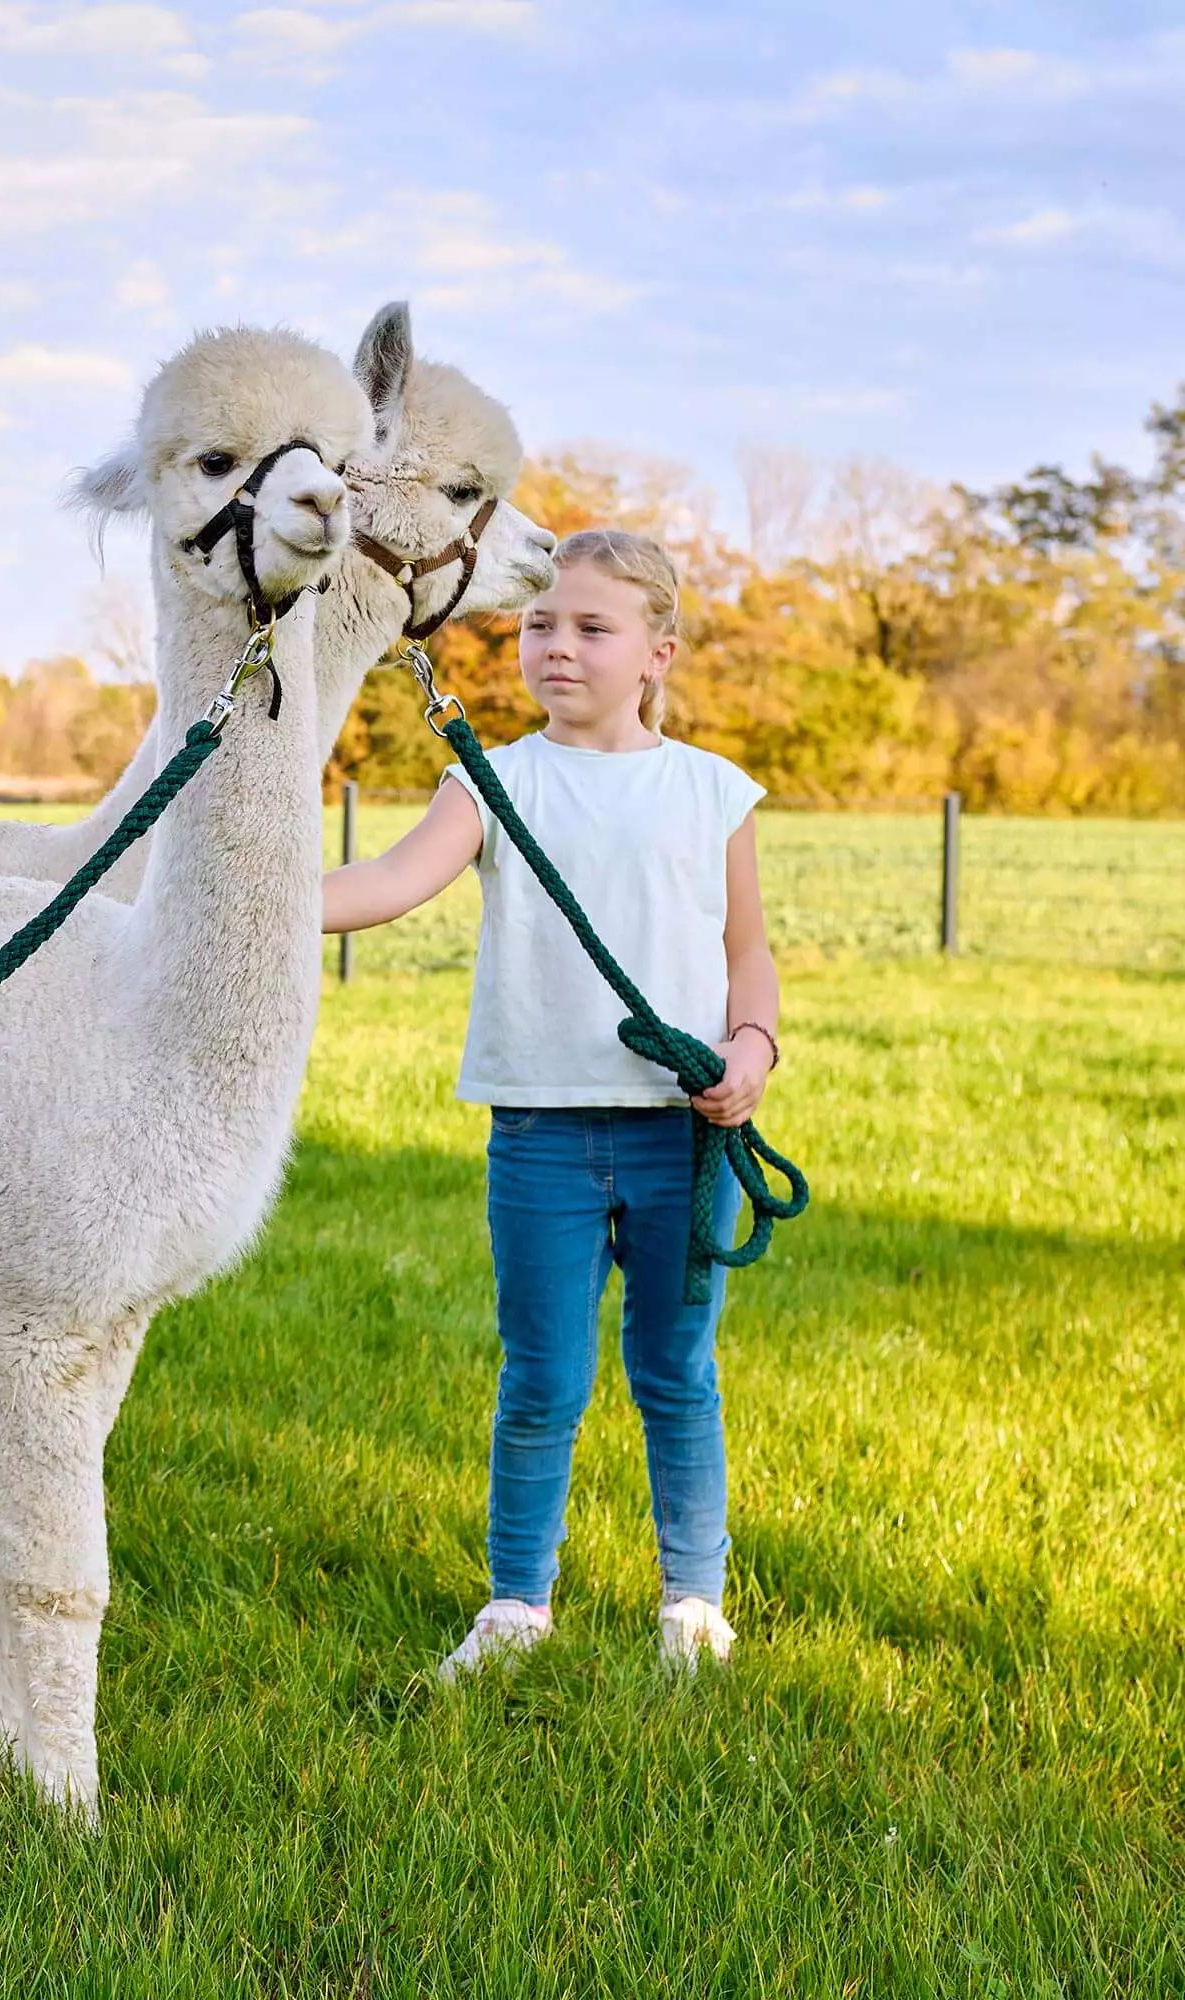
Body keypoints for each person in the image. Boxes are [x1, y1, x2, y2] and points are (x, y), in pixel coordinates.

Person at [320, 529, 778, 1681]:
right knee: (544, 1379)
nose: (556, 645)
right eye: (539, 623)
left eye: (591, 626)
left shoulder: (712, 792)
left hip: (685, 1134)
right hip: (541, 1137)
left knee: (677, 1371)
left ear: (656, 653)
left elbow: (748, 949)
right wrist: (240, 892)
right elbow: (387, 882)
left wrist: (752, 1047)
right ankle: (519, 1601)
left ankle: (694, 1600)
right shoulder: (494, 781)